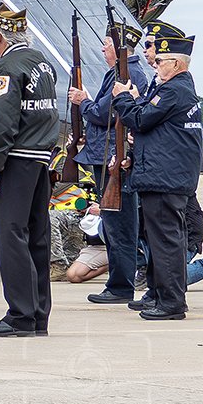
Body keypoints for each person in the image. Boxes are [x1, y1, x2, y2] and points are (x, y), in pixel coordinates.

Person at [0, 4, 60, 337]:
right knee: (36, 238)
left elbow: (2, 125)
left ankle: (20, 315)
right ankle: (38, 315)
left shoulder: (6, 69)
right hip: (41, 159)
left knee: (11, 237)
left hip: (17, 160)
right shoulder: (42, 63)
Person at [111, 32, 203, 320]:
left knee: (166, 242)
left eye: (160, 60)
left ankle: (172, 302)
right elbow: (159, 134)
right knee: (162, 240)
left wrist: (123, 98)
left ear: (176, 63)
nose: (155, 64)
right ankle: (162, 295)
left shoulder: (174, 90)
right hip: (164, 175)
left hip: (166, 179)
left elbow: (140, 120)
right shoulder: (175, 88)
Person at [70, 21, 150, 307]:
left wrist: (84, 102)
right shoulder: (115, 73)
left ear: (119, 48)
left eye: (107, 43)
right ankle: (118, 283)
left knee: (121, 225)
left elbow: (104, 113)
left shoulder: (130, 75)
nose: (103, 48)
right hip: (103, 157)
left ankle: (120, 286)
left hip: (113, 160)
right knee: (115, 224)